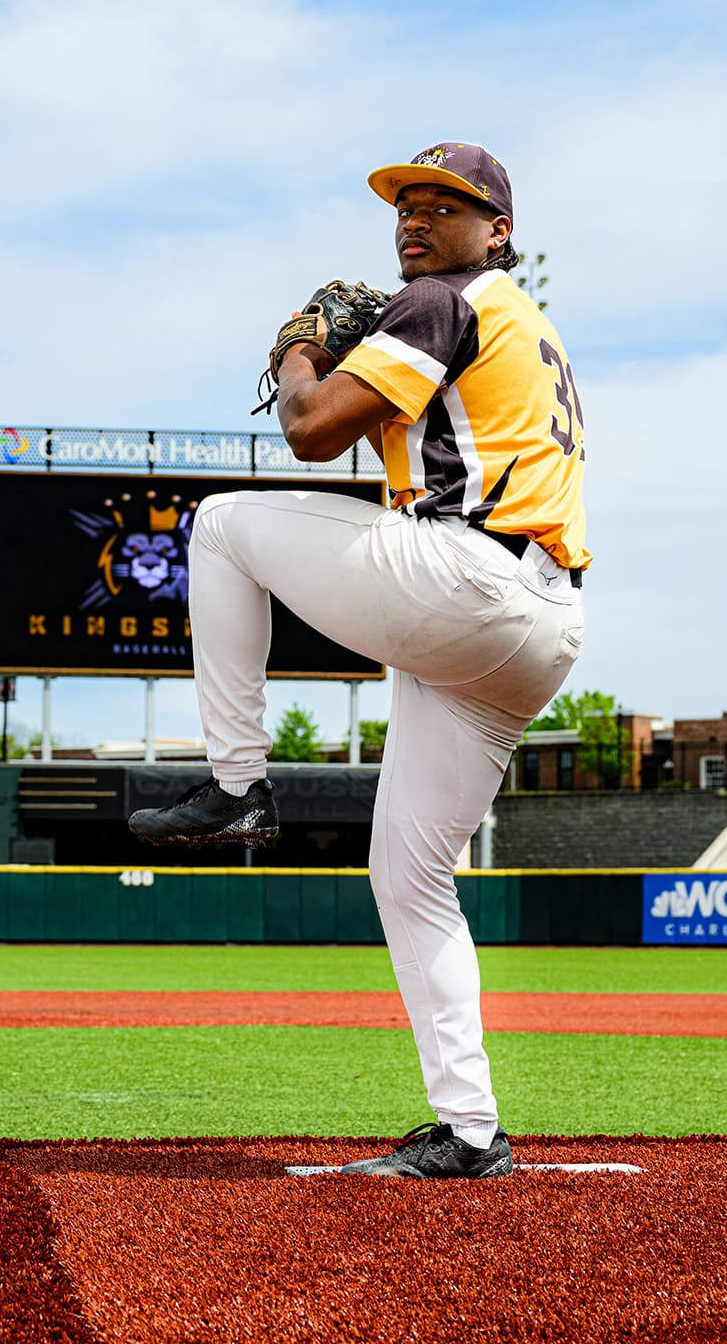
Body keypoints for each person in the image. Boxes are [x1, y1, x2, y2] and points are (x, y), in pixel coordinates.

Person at [130, 142, 589, 1178]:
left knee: (220, 524)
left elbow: (310, 430)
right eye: (404, 206)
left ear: (497, 231)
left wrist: (300, 348)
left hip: (471, 580)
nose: (413, 221)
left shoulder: (445, 298)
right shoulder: (520, 319)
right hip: (534, 624)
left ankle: (236, 781)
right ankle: (469, 1129)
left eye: (442, 205)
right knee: (409, 873)